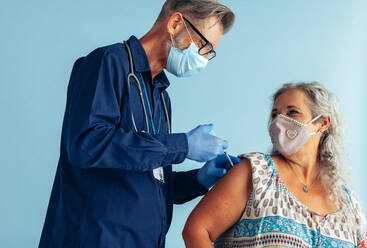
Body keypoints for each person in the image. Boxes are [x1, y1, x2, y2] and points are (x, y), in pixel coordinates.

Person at [38, 1, 240, 248]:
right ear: (176, 24)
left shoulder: (160, 95)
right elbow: (87, 144)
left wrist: (199, 179)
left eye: (211, 53)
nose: (205, 59)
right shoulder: (108, 63)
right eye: (204, 46)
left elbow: (146, 181)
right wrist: (183, 145)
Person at [183, 82, 367, 248]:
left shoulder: (348, 204)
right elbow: (196, 230)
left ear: (322, 123)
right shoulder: (256, 173)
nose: (280, 121)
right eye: (275, 114)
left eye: (292, 112)